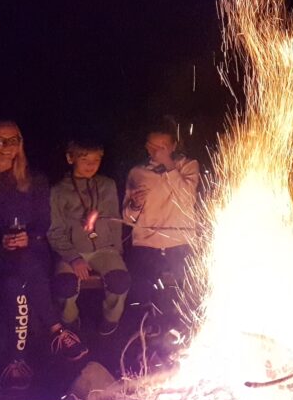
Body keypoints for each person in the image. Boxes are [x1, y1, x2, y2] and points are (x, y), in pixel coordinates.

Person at [0, 122, 87, 391]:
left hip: (28, 251)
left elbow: (43, 222)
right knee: (17, 275)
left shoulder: (33, 180)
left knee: (17, 277)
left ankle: (16, 361)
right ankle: (57, 330)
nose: (8, 148)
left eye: (14, 141)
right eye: (1, 141)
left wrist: (28, 237)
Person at [49, 140, 130, 336]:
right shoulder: (59, 191)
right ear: (70, 158)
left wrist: (117, 251)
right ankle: (69, 320)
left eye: (96, 160)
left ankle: (110, 319)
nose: (91, 165)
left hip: (105, 249)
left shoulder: (107, 185)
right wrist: (73, 258)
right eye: (84, 159)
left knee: (120, 281)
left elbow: (115, 220)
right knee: (65, 285)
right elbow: (54, 230)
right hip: (72, 249)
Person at [122, 121, 200, 319]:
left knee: (189, 285)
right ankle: (145, 324)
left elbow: (186, 198)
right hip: (147, 242)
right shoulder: (138, 173)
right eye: (152, 146)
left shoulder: (188, 166)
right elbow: (128, 218)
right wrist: (135, 205)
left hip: (179, 241)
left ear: (173, 146)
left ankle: (185, 324)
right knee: (141, 288)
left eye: (163, 147)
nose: (157, 151)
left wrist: (169, 166)